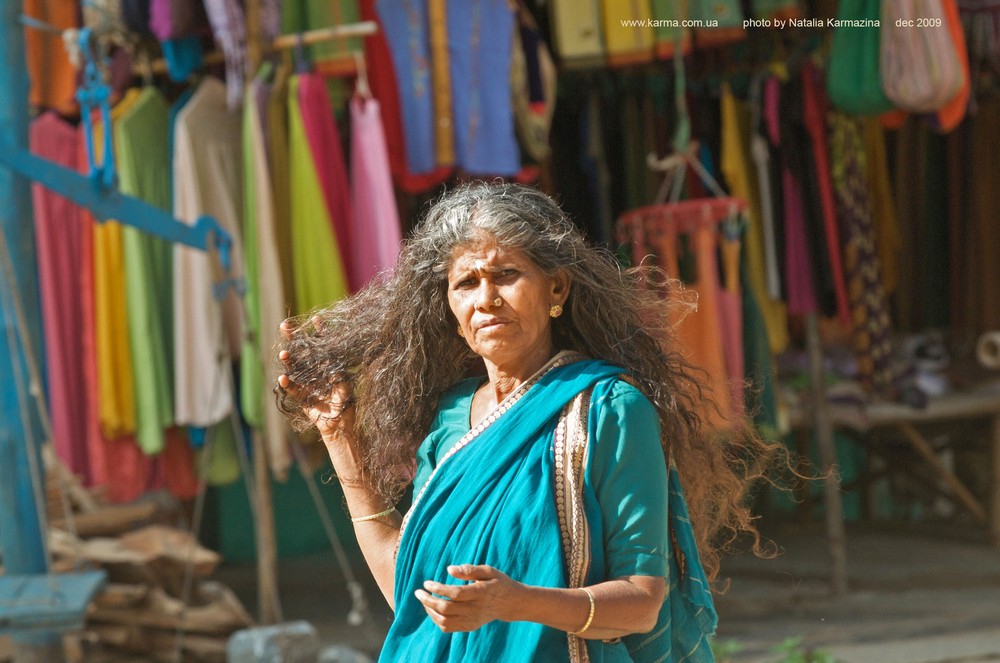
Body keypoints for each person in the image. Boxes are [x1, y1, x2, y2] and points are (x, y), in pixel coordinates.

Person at [275, 182, 769, 662]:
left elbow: (641, 602)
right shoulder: (451, 418)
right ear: (449, 307)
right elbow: (411, 596)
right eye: (466, 283)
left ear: (556, 287)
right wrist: (339, 436)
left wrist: (515, 602)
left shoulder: (609, 409)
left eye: (506, 274)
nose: (486, 298)